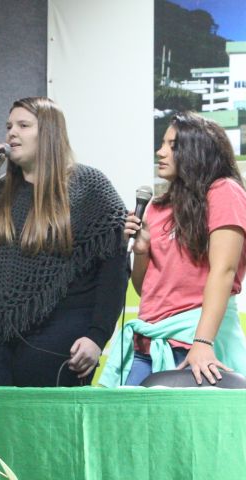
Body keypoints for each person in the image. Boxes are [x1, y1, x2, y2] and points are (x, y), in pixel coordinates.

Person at [0, 96, 128, 387]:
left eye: (23, 125)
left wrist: (97, 337)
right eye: (9, 126)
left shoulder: (89, 186)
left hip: (60, 339)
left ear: (48, 133)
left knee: (45, 428)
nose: (11, 133)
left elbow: (115, 270)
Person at [100, 112, 246, 387]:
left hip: (195, 338)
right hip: (148, 341)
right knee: (124, 422)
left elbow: (224, 270)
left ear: (197, 151)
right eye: (162, 144)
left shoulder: (224, 191)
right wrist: (141, 251)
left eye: (172, 145)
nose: (160, 152)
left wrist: (203, 342)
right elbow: (147, 290)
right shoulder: (155, 207)